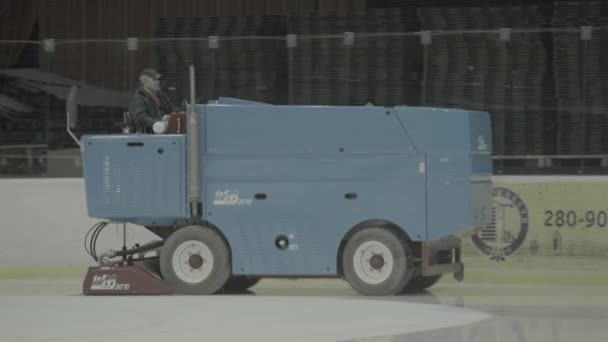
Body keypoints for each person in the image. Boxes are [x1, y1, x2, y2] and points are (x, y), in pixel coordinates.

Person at [128, 68, 173, 133]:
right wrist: (158, 122)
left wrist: (171, 117)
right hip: (149, 134)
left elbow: (171, 110)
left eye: (158, 79)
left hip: (164, 132)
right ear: (144, 81)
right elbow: (140, 117)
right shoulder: (138, 98)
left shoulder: (161, 95)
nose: (158, 82)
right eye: (154, 80)